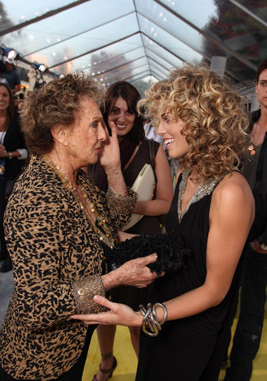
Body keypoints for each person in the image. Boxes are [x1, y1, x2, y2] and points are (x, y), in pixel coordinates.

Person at [71, 65, 255, 381]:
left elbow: (214, 290)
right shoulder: (185, 172)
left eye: (169, 119)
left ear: (201, 121)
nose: (160, 128)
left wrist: (143, 317)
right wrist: (121, 239)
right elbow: (177, 244)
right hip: (163, 308)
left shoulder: (231, 192)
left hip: (195, 328)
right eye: (159, 119)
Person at [0, 73, 158, 381]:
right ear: (60, 133)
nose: (104, 135)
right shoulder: (36, 199)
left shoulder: (76, 180)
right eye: (95, 124)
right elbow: (37, 307)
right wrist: (115, 279)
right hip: (40, 363)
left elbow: (112, 221)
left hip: (72, 346)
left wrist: (112, 168)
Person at [88, 81, 173, 380]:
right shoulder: (92, 149)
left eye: (129, 112)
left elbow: (165, 204)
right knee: (104, 312)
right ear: (104, 113)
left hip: (142, 242)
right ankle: (107, 362)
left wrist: (125, 203)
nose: (122, 118)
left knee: (140, 317)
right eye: (115, 111)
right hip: (103, 244)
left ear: (138, 116)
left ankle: (146, 371)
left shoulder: (152, 149)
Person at [224, 60, 267, 381]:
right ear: (256, 87)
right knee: (222, 299)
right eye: (265, 83)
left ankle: (238, 372)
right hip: (230, 232)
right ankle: (217, 360)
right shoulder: (244, 128)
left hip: (259, 239)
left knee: (251, 309)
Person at [0, 80, 27, 273]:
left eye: (4, 95)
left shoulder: (18, 122)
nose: (1, 99)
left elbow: (27, 151)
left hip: (11, 175)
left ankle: (11, 254)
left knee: (8, 216)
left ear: (10, 98)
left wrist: (8, 154)